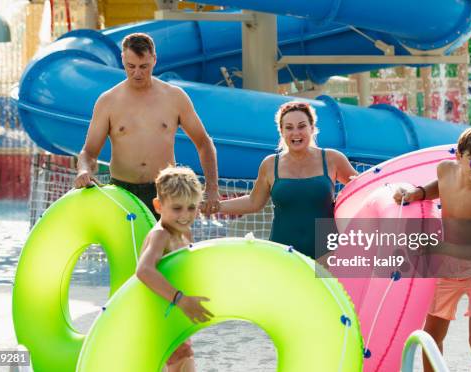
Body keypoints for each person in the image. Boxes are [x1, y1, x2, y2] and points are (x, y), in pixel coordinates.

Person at [73, 32, 219, 219]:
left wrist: (212, 189)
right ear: (123, 59)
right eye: (131, 66)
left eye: (144, 66)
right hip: (122, 192)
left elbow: (204, 143)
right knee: (125, 248)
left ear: (154, 60)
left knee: (168, 248)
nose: (137, 73)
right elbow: (89, 153)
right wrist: (83, 169)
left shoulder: (175, 97)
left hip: (165, 191)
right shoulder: (108, 101)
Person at [394, 127, 471, 372]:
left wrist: (437, 247)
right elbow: (440, 185)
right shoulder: (445, 169)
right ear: (459, 156)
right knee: (431, 337)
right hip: (449, 268)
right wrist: (419, 193)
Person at [218, 101, 358, 259]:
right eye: (289, 128)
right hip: (284, 255)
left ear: (312, 129)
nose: (296, 133)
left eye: (301, 126)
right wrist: (216, 206)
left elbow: (361, 191)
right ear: (282, 132)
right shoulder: (270, 164)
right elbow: (253, 202)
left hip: (326, 255)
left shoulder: (332, 159)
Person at [136, 166, 213, 372]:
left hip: (173, 319)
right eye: (177, 208)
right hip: (159, 321)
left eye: (192, 207)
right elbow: (143, 271)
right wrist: (181, 299)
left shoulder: (185, 233)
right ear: (159, 206)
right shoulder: (161, 234)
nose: (185, 215)